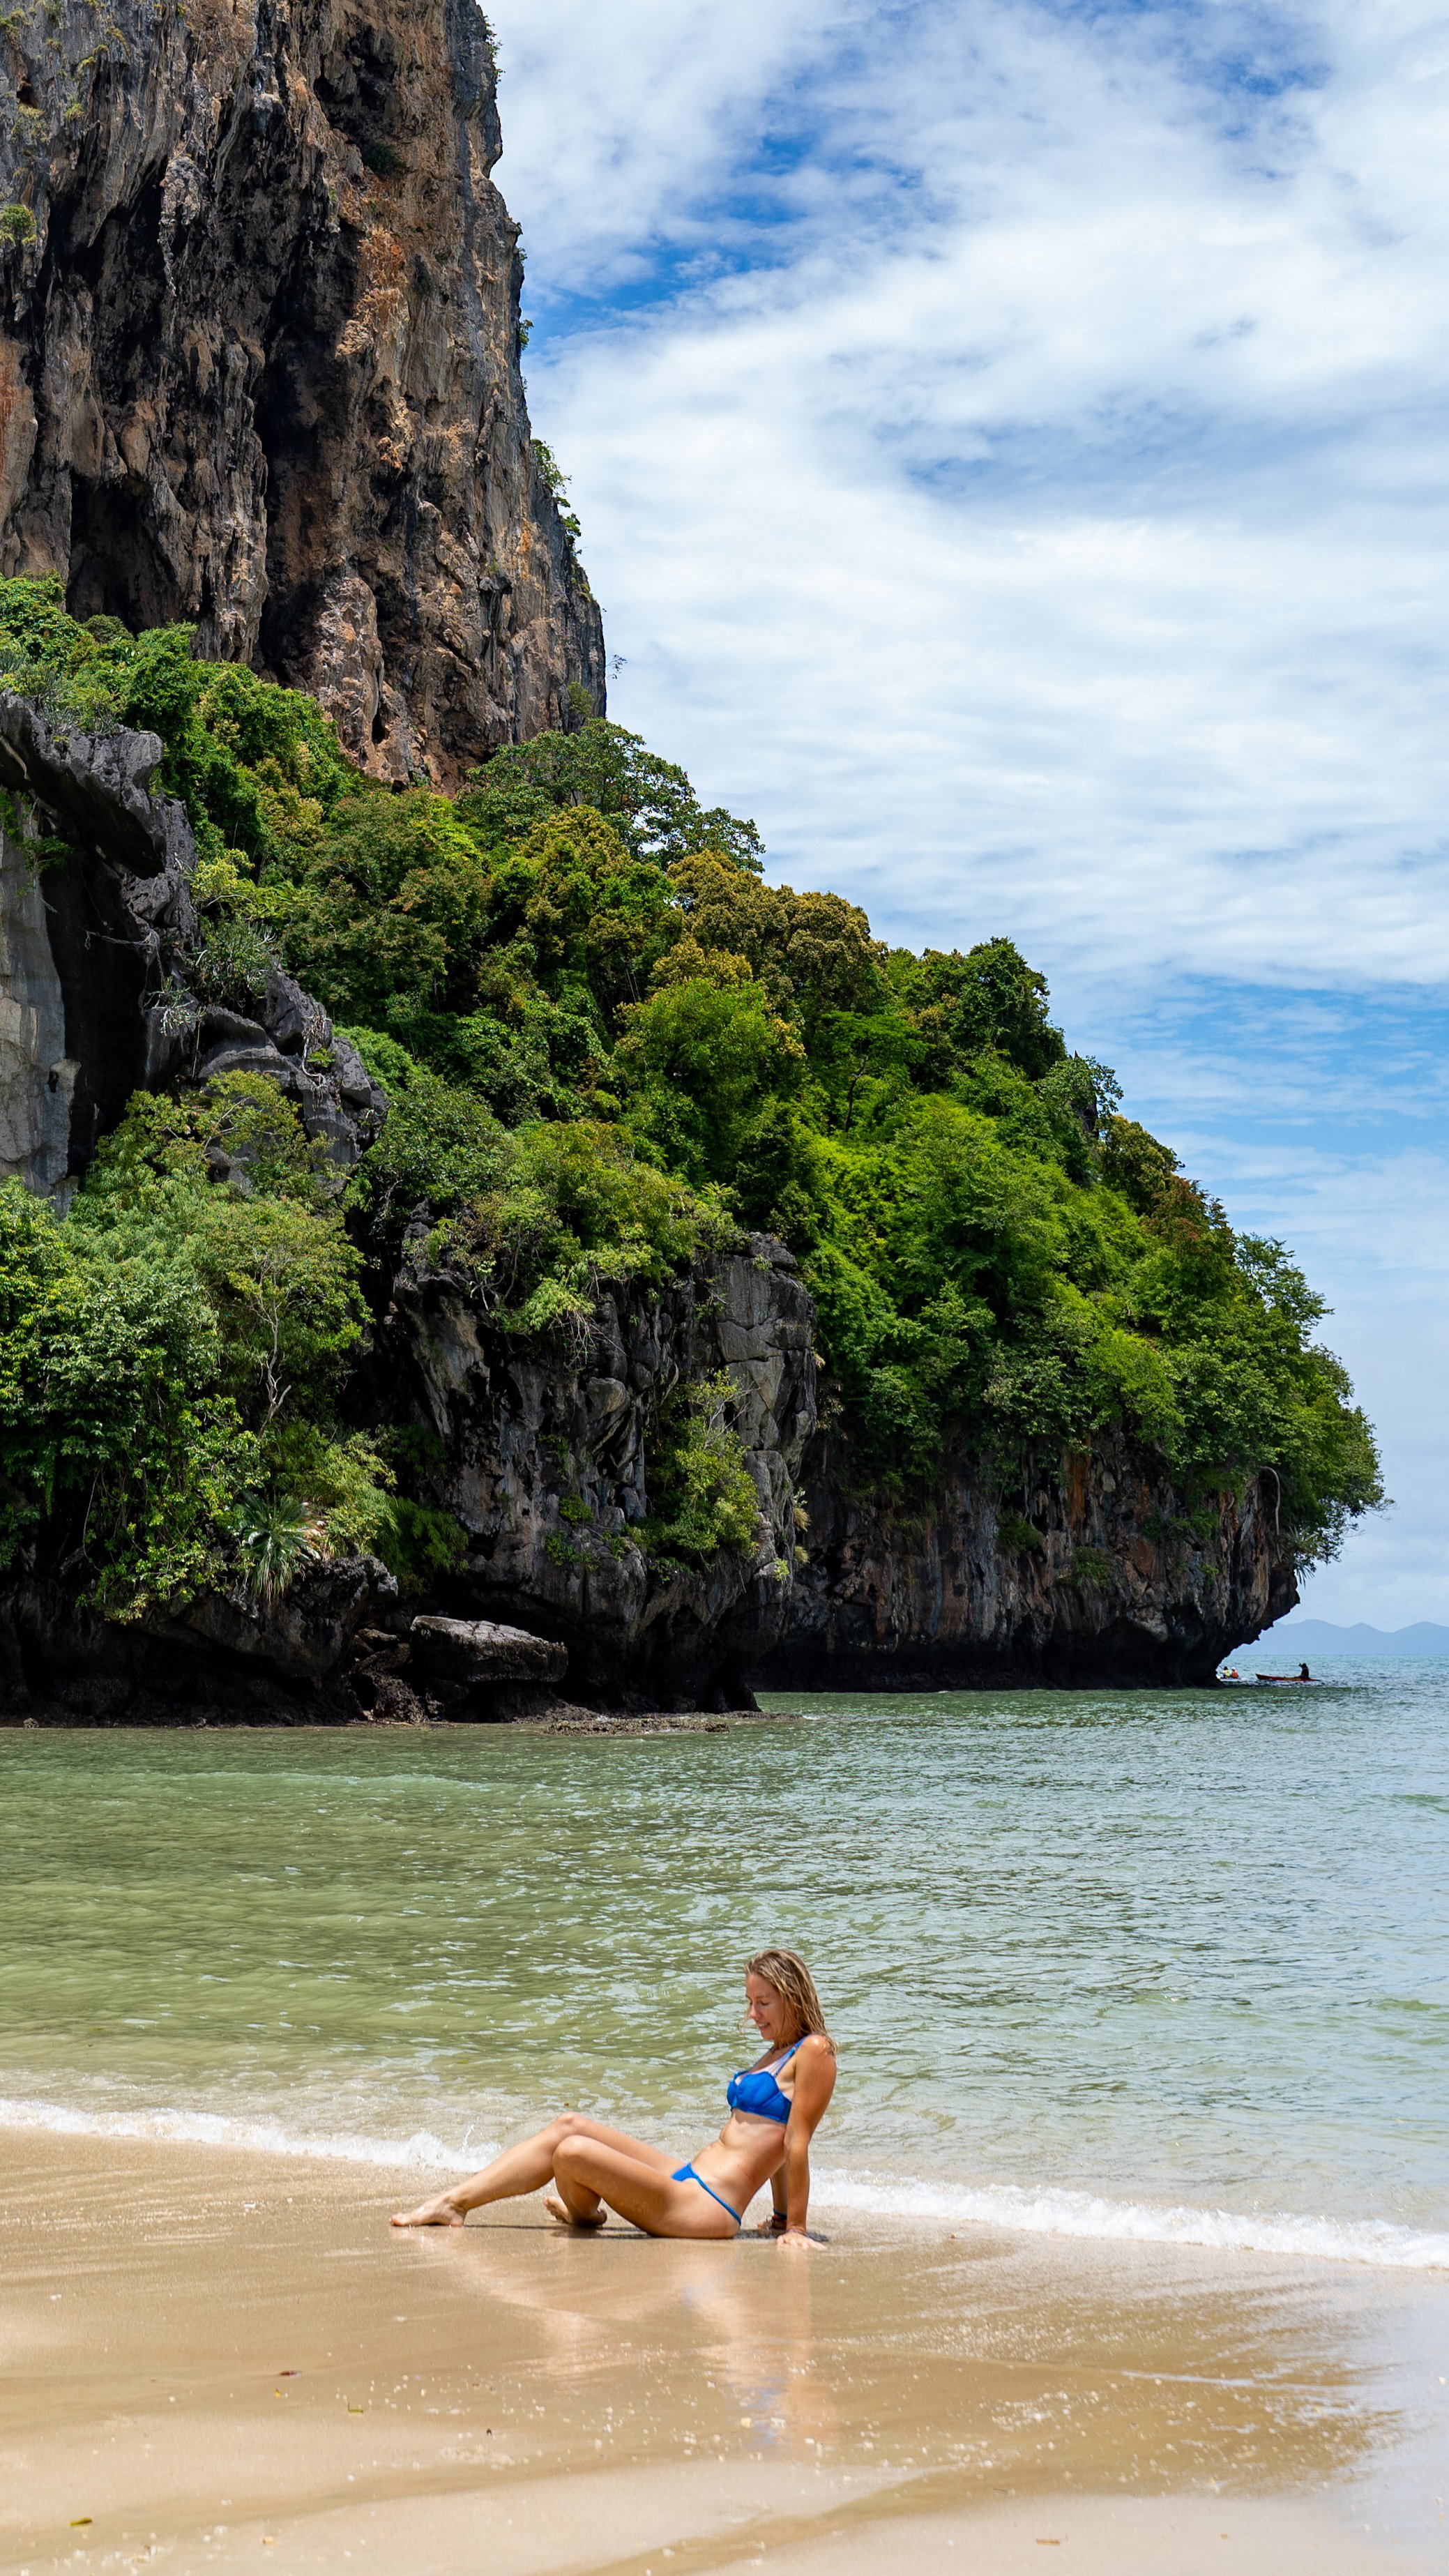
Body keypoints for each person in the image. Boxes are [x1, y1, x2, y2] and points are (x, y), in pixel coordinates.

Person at [390, 1948, 837, 2249]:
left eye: (763, 2003)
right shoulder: (778, 2051)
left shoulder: (814, 2052)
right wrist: (777, 2218)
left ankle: (583, 2213)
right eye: (750, 2001)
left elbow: (794, 2142)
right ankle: (456, 2202)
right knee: (569, 2125)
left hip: (708, 2208)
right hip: (687, 2178)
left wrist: (794, 2227)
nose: (752, 2014)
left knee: (573, 2153)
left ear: (792, 1999)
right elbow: (773, 2138)